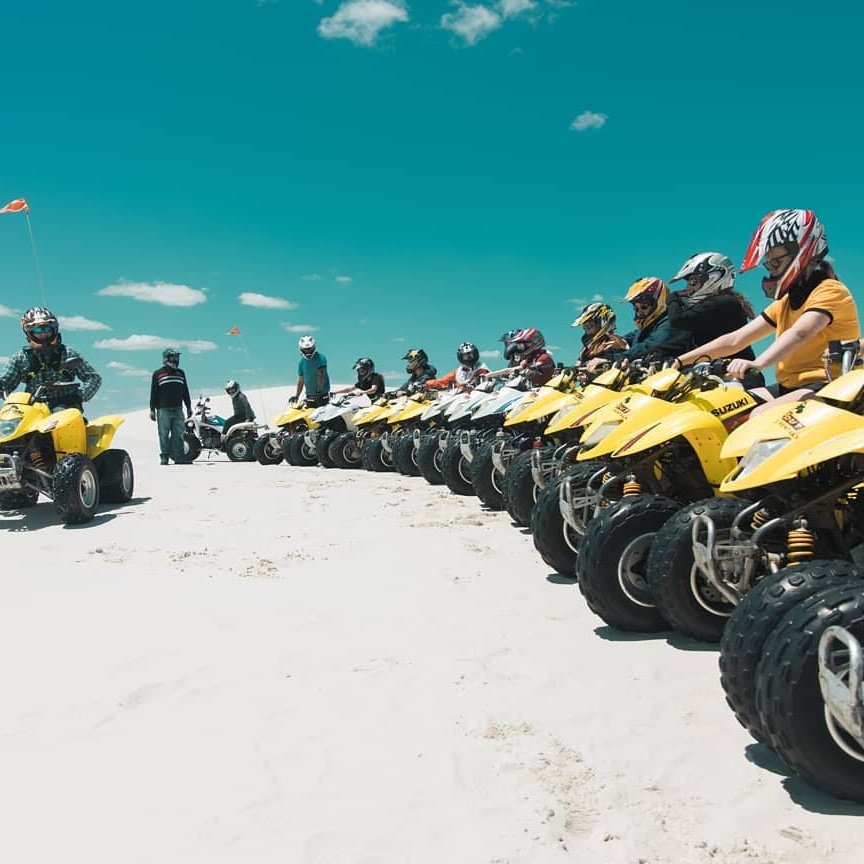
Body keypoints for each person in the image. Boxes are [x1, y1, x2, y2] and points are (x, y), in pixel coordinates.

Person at [676, 209, 860, 411]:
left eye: (776, 262)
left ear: (804, 251)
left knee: (758, 416)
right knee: (725, 407)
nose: (771, 270)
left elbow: (801, 332)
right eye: (769, 264)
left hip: (829, 386)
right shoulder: (786, 303)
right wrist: (679, 362)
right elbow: (735, 340)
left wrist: (758, 364)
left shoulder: (830, 291)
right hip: (789, 387)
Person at [0, 306, 101, 411]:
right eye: (38, 331)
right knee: (9, 421)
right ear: (29, 333)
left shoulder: (68, 353)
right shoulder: (20, 357)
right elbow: (6, 382)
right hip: (32, 406)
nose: (44, 334)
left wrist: (79, 396)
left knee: (59, 418)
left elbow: (93, 378)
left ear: (54, 329)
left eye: (47, 329)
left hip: (64, 404)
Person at [667, 252, 755, 360]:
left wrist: (673, 297)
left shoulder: (725, 303)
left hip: (739, 374)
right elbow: (683, 341)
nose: (688, 289)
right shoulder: (717, 305)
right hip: (721, 373)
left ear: (714, 277)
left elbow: (677, 319)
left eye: (693, 282)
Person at [149, 347, 192, 465]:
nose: (176, 359)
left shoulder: (181, 373)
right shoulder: (158, 373)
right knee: (163, 434)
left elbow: (185, 391)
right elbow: (154, 392)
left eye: (177, 357)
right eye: (174, 357)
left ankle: (179, 457)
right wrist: (152, 410)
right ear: (166, 358)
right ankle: (164, 457)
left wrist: (188, 406)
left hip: (178, 408)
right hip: (163, 409)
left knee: (178, 434)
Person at [290, 335, 330, 407]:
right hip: (310, 397)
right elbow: (301, 381)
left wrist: (319, 392)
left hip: (322, 396)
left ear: (314, 347)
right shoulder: (301, 363)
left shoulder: (320, 357)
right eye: (305, 349)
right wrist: (297, 396)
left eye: (309, 349)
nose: (308, 352)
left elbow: (321, 374)